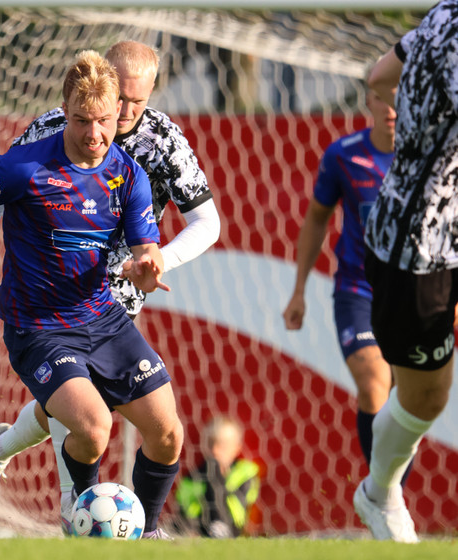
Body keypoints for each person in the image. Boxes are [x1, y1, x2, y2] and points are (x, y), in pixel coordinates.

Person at [0, 50, 183, 540]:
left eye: (104, 121)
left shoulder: (128, 174)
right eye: (82, 121)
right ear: (64, 111)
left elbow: (145, 247)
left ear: (119, 111)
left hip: (103, 319)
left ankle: (150, 537)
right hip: (38, 328)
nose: (94, 134)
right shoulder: (26, 166)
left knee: (168, 434)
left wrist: (147, 266)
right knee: (93, 428)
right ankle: (82, 529)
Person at [0, 40, 220, 532]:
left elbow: (207, 223)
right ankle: (75, 517)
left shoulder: (164, 141)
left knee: (90, 413)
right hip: (49, 300)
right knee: (87, 421)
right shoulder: (57, 126)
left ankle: (6, 451)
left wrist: (158, 259)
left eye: (136, 101)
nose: (123, 111)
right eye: (118, 98)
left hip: (116, 300)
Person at [354, 1, 458, 543]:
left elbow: (380, 75)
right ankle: (379, 492)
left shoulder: (444, 14)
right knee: (425, 395)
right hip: (421, 247)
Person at [282, 87, 410, 481]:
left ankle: (390, 493)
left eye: (402, 96)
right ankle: (383, 491)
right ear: (369, 99)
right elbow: (316, 219)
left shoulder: (428, 157)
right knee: (374, 383)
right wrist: (299, 290)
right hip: (358, 292)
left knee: (408, 400)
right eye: (384, 97)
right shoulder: (344, 155)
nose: (392, 108)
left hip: (413, 295)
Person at [175, 416, 259, 539]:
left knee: (213, 471)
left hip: (230, 525)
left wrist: (217, 478)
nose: (215, 450)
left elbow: (240, 509)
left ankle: (219, 525)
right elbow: (184, 509)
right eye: (210, 443)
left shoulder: (245, 473)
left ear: (237, 448)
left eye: (223, 445)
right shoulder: (191, 478)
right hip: (197, 527)